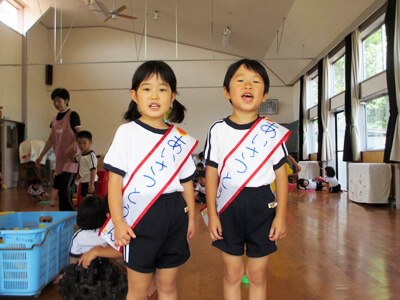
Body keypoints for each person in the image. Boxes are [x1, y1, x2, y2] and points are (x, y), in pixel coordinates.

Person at [101, 60, 197, 300]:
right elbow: (114, 182)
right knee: (139, 290)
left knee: (167, 286)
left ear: (172, 96)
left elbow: (186, 183)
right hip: (139, 218)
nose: (155, 95)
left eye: (162, 89)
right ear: (134, 95)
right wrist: (118, 222)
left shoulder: (180, 138)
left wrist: (192, 218)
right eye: (147, 88)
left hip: (175, 213)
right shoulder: (126, 132)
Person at [204, 59, 289, 300]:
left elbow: (281, 175)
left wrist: (281, 216)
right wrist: (212, 215)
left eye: (255, 82)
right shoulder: (217, 129)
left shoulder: (270, 131)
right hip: (228, 205)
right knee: (232, 273)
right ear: (226, 92)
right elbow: (211, 174)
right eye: (240, 81)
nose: (247, 86)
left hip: (262, 204)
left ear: (265, 95)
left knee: (258, 274)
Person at [35, 88, 82, 211]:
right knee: (61, 191)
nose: (56, 104)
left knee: (65, 188)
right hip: (60, 161)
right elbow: (51, 139)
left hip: (71, 160)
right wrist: (41, 156)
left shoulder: (72, 115)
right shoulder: (54, 118)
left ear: (66, 100)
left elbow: (81, 134)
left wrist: (74, 144)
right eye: (54, 101)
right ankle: (63, 216)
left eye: (59, 101)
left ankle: (71, 216)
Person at [71, 130, 98, 199]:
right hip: (83, 180)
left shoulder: (91, 155)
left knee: (89, 199)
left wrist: (91, 184)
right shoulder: (80, 154)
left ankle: (91, 210)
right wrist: (69, 155)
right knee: (84, 198)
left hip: (90, 181)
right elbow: (75, 160)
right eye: (79, 143)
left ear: (90, 143)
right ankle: (86, 210)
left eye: (84, 143)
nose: (81, 146)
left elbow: (93, 170)